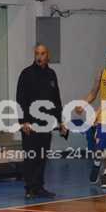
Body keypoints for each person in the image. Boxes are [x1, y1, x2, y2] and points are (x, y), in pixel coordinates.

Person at [16, 44, 67, 199]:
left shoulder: (51, 74)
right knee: (31, 156)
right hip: (30, 123)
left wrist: (60, 121)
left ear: (47, 55)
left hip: (47, 123)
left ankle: (39, 187)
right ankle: (29, 188)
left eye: (42, 53)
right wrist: (23, 121)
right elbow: (20, 99)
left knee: (42, 156)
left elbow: (56, 99)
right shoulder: (26, 73)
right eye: (37, 53)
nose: (39, 56)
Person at [76, 50, 106, 189]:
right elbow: (93, 93)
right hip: (105, 115)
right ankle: (97, 163)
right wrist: (83, 104)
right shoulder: (102, 74)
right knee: (100, 145)